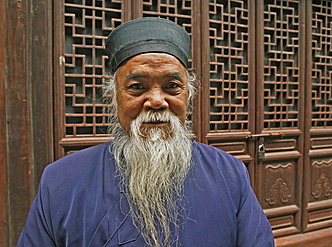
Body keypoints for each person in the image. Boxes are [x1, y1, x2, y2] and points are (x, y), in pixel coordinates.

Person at [17, 17, 274, 247]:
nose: (156, 100)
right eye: (137, 87)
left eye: (172, 86)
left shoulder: (229, 174)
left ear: (189, 95)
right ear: (114, 97)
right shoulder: (61, 180)